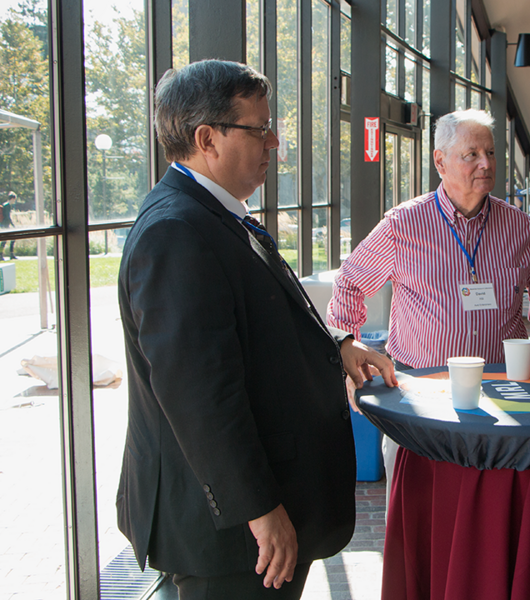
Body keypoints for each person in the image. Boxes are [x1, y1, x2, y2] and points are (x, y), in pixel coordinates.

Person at [116, 59, 396, 600]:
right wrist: (260, 511)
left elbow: (250, 324)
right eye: (258, 128)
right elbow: (198, 393)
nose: (273, 142)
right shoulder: (176, 232)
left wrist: (337, 346)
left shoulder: (216, 214)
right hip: (234, 534)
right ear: (207, 139)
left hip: (257, 518)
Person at [327, 108, 530, 496]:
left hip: (499, 400)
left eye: (490, 153)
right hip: (418, 399)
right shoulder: (403, 225)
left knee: (490, 510)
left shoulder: (519, 227)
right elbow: (349, 286)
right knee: (417, 511)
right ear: (440, 161)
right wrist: (348, 362)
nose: (486, 164)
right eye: (471, 154)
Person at [0, 191, 17, 260]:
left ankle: (10, 254)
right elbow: (7, 216)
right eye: (14, 199)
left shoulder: (7, 205)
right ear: (12, 199)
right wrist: (12, 224)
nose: (14, 201)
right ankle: (4, 254)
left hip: (5, 224)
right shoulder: (7, 206)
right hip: (5, 225)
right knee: (5, 240)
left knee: (10, 238)